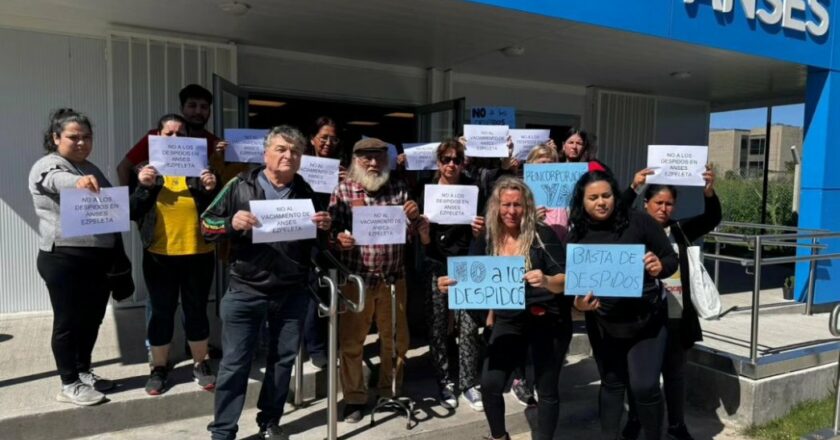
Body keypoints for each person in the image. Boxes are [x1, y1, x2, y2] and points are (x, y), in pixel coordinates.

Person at [201, 125, 331, 440]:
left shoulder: (308, 193)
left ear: (301, 159)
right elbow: (206, 225)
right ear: (266, 154)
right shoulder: (238, 185)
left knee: (282, 362)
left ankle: (269, 421)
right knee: (234, 364)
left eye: (295, 152)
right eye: (281, 149)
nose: (288, 156)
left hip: (291, 292)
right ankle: (223, 431)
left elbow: (316, 246)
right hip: (246, 290)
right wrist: (229, 223)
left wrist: (325, 228)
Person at [439, 176, 571, 440]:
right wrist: (450, 284)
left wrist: (545, 280)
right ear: (496, 207)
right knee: (490, 384)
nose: (511, 211)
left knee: (546, 389)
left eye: (518, 205)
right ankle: (500, 437)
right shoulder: (487, 238)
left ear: (528, 207)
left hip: (547, 319)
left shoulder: (542, 235)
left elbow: (566, 280)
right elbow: (470, 278)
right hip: (509, 319)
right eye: (506, 205)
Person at [567, 171, 678, 440]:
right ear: (582, 202)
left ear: (616, 197)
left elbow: (670, 259)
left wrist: (660, 266)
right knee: (612, 384)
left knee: (644, 386)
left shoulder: (640, 222)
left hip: (646, 320)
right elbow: (574, 287)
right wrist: (579, 303)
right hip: (604, 324)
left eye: (606, 195)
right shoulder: (577, 234)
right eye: (593, 198)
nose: (601, 202)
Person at [329, 137, 430, 423]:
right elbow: (331, 233)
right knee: (351, 343)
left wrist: (414, 219)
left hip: (393, 280)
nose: (373, 163)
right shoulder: (343, 189)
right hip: (356, 281)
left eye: (378, 157)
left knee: (397, 341)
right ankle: (354, 398)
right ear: (356, 161)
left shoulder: (399, 188)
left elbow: (409, 234)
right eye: (366, 158)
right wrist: (339, 240)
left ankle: (390, 390)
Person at [621, 166, 722, 440]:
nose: (664, 209)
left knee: (675, 373)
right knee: (640, 376)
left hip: (676, 314)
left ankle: (676, 424)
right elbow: (615, 213)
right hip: (641, 315)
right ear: (646, 203)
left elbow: (712, 218)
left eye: (669, 204)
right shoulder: (631, 228)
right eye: (658, 203)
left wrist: (709, 191)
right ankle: (635, 419)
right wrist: (633, 186)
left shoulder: (681, 229)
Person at [29, 109, 117, 405]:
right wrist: (76, 183)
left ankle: (83, 371)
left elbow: (112, 206)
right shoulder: (49, 165)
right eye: (73, 137)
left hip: (96, 259)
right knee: (68, 321)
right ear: (56, 138)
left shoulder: (90, 167)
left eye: (87, 137)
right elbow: (52, 180)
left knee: (91, 319)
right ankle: (68, 383)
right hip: (62, 258)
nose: (81, 142)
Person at [129, 114, 219, 395]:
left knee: (196, 310)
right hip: (160, 255)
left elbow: (215, 212)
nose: (175, 139)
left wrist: (209, 190)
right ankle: (159, 367)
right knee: (161, 312)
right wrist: (143, 187)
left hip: (198, 253)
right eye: (169, 134)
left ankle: (200, 364)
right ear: (158, 136)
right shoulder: (147, 172)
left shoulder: (200, 170)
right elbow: (132, 211)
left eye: (181, 134)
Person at [418, 139, 486, 411]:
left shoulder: (473, 189)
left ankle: (469, 383)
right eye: (446, 160)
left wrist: (480, 232)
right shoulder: (428, 191)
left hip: (466, 264)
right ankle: (445, 380)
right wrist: (423, 235)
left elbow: (481, 232)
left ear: (463, 162)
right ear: (438, 163)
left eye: (456, 160)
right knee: (436, 326)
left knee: (468, 326)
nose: (451, 165)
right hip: (436, 263)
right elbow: (424, 241)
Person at [116, 83, 237, 186]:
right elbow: (123, 168)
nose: (198, 111)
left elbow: (226, 181)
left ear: (210, 111)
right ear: (182, 108)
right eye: (192, 106)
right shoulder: (157, 137)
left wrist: (219, 158)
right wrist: (129, 205)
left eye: (204, 107)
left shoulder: (214, 143)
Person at [302, 116, 343, 369]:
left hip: (335, 238)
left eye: (333, 138)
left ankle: (330, 342)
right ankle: (315, 347)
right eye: (323, 137)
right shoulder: (301, 167)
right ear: (312, 139)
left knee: (332, 291)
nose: (328, 142)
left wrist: (347, 179)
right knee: (313, 293)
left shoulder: (341, 169)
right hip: (307, 239)